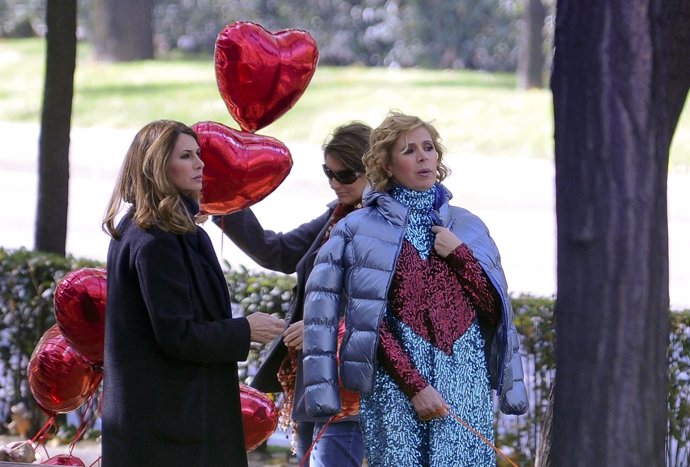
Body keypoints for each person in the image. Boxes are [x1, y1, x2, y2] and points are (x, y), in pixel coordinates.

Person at [302, 112, 528, 466]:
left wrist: (461, 257)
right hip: (397, 391)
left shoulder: (468, 226)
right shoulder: (357, 229)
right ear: (387, 166)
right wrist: (415, 386)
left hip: (465, 384)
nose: (423, 157)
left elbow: (494, 312)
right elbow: (367, 321)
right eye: (409, 150)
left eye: (429, 148)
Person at [101, 120, 285, 467]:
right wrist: (245, 329)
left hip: (175, 419)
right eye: (186, 156)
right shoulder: (154, 239)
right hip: (168, 427)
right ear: (158, 168)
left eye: (198, 153)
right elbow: (177, 334)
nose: (200, 163)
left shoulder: (168, 230)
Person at [214, 122, 371, 466]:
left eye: (346, 176)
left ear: (376, 169)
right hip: (311, 376)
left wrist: (321, 329)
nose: (334, 183)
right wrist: (223, 200)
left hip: (349, 388)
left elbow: (389, 308)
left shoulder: (388, 225)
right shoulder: (337, 213)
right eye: (328, 172)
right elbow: (279, 252)